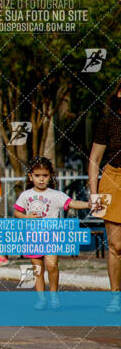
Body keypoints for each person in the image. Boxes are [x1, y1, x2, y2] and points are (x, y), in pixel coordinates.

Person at [14, 156, 90, 310]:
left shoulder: (56, 194)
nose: (41, 179)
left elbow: (72, 203)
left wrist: (88, 204)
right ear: (30, 176)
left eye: (45, 175)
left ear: (50, 176)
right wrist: (26, 216)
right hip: (32, 237)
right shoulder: (25, 195)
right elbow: (17, 212)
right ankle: (41, 299)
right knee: (38, 269)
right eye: (37, 176)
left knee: (52, 265)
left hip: (51, 236)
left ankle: (54, 295)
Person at [89, 83, 121, 312]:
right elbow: (94, 160)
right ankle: (115, 296)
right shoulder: (107, 122)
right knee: (116, 245)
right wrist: (94, 195)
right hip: (112, 180)